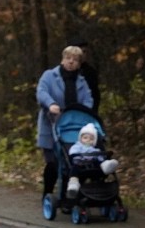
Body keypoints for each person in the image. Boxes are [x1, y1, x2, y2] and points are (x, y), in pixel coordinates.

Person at [36, 45, 93, 199]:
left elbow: (88, 99)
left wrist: (85, 110)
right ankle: (48, 193)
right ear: (62, 59)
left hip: (72, 128)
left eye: (75, 60)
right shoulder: (49, 76)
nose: (71, 62)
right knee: (53, 163)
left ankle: (70, 195)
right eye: (68, 58)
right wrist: (51, 104)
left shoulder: (82, 82)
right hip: (51, 125)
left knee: (72, 161)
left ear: (79, 64)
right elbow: (41, 92)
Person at [66, 122, 119, 197]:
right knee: (74, 169)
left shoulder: (94, 149)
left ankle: (106, 166)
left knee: (99, 161)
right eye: (85, 138)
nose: (88, 140)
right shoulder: (77, 146)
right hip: (80, 165)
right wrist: (78, 158)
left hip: (93, 165)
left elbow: (99, 157)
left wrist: (101, 159)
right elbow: (73, 153)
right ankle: (73, 185)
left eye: (91, 139)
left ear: (94, 141)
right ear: (80, 138)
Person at [67, 36, 100, 114]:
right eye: (79, 52)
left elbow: (95, 96)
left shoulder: (90, 72)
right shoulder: (61, 72)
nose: (82, 55)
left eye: (84, 52)